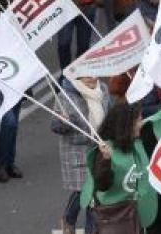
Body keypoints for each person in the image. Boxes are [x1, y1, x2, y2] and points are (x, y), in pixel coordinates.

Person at [80, 103, 157, 232]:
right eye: (138, 121)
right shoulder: (105, 150)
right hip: (113, 217)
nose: (141, 123)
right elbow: (102, 185)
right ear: (127, 126)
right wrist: (105, 160)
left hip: (132, 214)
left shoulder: (133, 145)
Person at [53, 74, 111, 234]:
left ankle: (72, 221)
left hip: (98, 148)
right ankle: (72, 221)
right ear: (77, 79)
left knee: (92, 191)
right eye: (87, 77)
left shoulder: (103, 89)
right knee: (85, 190)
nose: (93, 80)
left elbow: (108, 113)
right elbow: (55, 126)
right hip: (76, 150)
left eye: (94, 75)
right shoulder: (65, 96)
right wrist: (63, 122)